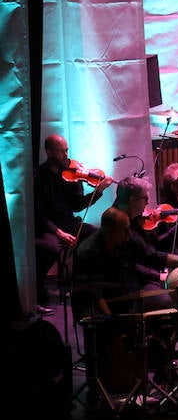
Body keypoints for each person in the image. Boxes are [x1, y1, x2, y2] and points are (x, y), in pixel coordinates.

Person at [73, 179, 178, 318]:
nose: (148, 203)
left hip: (133, 285)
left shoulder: (131, 221)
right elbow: (147, 257)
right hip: (122, 293)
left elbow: (150, 253)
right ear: (133, 199)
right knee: (172, 305)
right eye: (145, 198)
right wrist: (158, 276)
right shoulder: (115, 228)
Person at [34, 132, 109, 308]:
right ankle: (38, 289)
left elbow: (77, 206)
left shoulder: (71, 174)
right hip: (50, 227)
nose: (66, 155)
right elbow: (39, 214)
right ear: (49, 152)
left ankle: (81, 283)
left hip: (70, 223)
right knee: (50, 248)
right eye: (61, 151)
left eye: (67, 150)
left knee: (98, 236)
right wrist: (58, 232)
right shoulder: (38, 176)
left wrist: (98, 192)